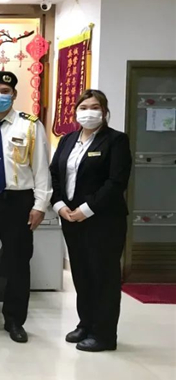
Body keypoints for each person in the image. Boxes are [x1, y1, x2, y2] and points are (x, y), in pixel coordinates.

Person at [0, 70, 50, 343]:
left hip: (18, 203)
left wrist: (40, 205)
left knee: (17, 264)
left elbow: (41, 168)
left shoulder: (30, 126)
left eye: (5, 92)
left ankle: (15, 320)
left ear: (14, 95)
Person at [50, 89, 131, 352]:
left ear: (104, 112)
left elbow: (115, 182)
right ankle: (86, 324)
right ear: (76, 111)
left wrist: (86, 209)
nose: (89, 112)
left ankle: (104, 334)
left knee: (103, 277)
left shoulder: (116, 140)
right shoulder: (67, 140)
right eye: (83, 107)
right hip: (71, 219)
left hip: (103, 220)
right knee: (82, 274)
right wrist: (60, 205)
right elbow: (55, 175)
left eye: (95, 107)